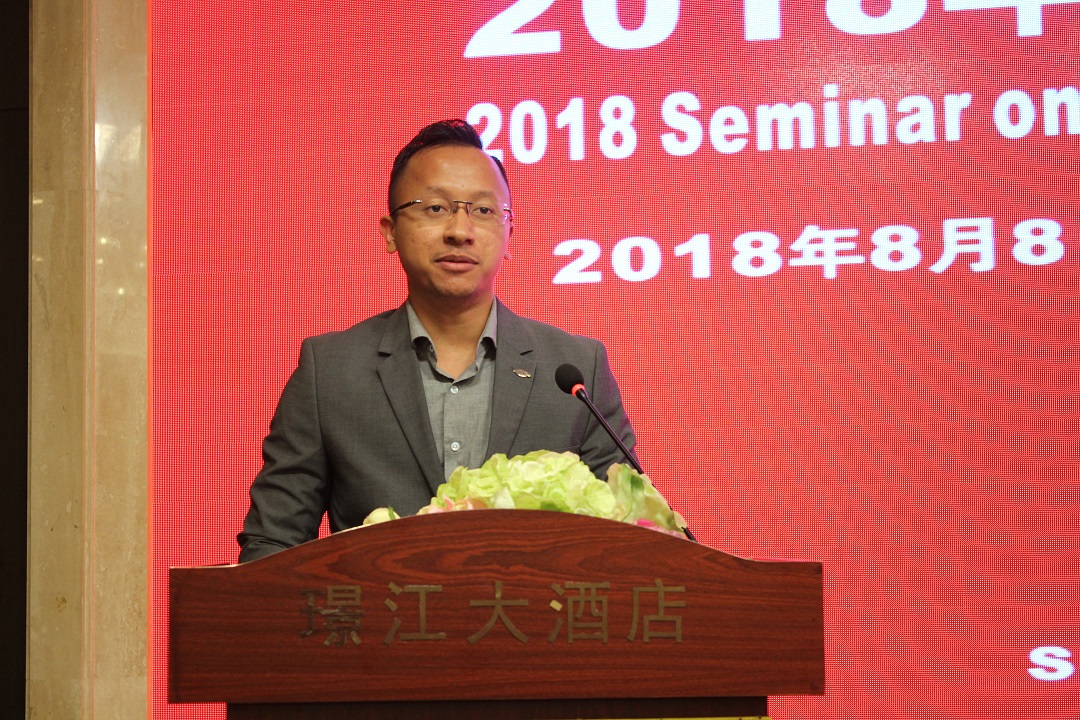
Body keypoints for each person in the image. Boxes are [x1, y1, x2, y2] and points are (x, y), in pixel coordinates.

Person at [237, 119, 637, 562]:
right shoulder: (330, 371)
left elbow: (634, 538)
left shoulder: (577, 370)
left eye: (483, 210)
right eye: (435, 208)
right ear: (390, 231)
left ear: (510, 234)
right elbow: (272, 544)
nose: (460, 231)